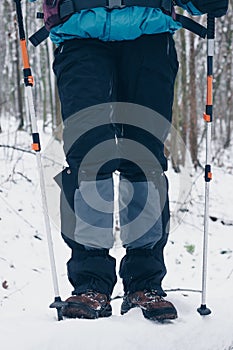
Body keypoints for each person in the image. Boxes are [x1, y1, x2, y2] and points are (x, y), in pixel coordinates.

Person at [30, 0, 228, 321]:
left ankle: (144, 283)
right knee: (89, 157)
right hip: (80, 34)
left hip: (150, 32)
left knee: (145, 158)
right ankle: (90, 283)